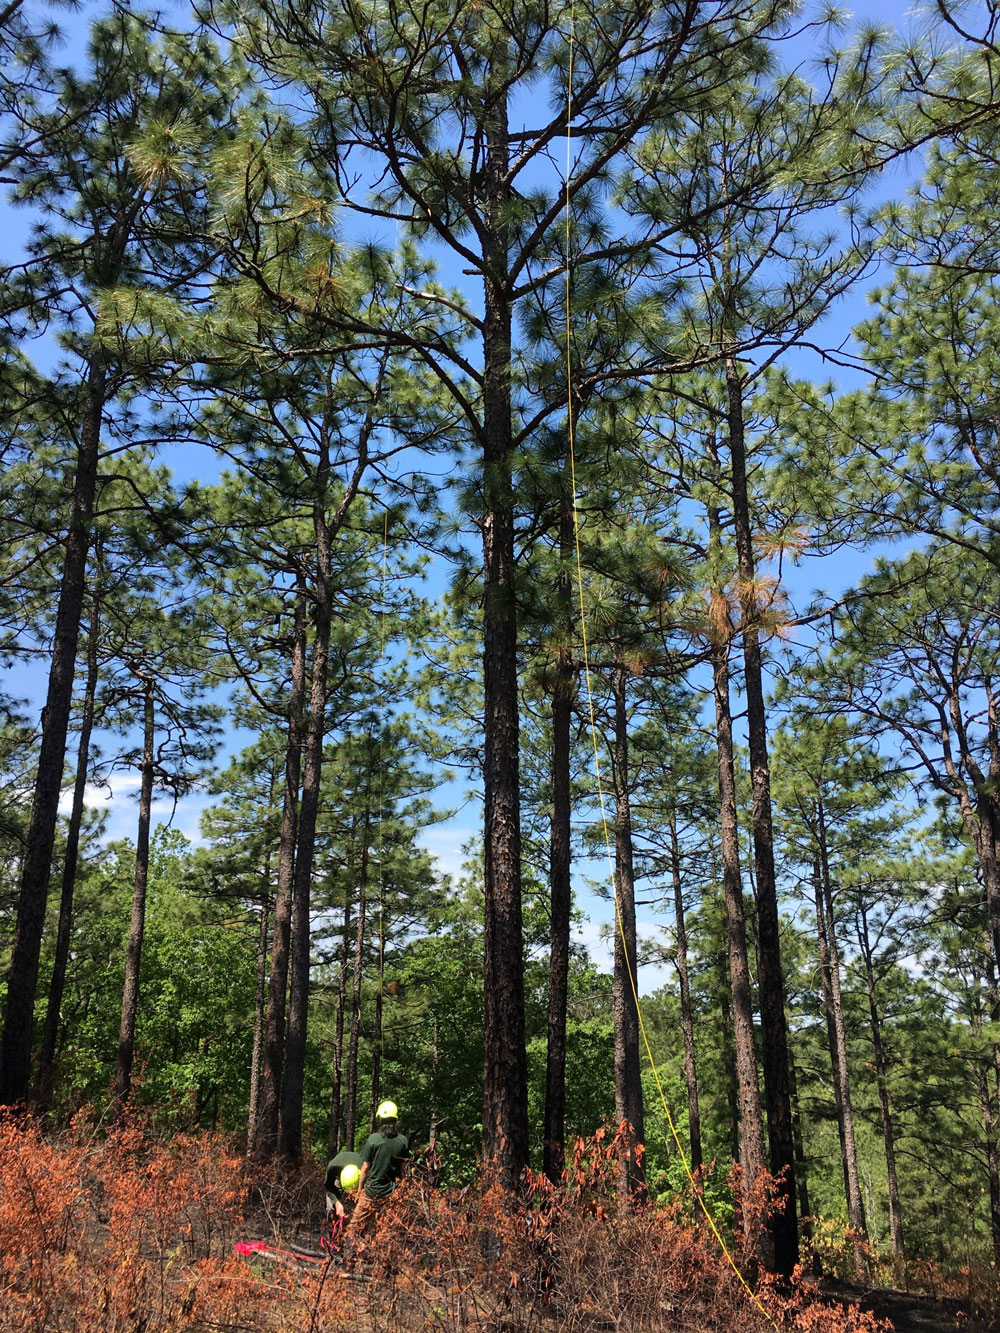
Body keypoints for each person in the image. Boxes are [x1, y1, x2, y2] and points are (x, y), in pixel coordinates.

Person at [350, 1099, 410, 1240]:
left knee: (354, 1227)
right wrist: (403, 1191)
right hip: (391, 1193)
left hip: (371, 1191)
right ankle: (378, 1257)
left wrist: (360, 1190)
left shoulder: (373, 1139)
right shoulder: (403, 1141)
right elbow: (403, 1171)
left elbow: (365, 1168)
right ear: (395, 1119)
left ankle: (346, 1254)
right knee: (384, 1230)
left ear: (380, 1119)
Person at [324, 1149, 363, 1240]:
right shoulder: (332, 1167)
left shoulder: (365, 1169)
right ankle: (333, 1236)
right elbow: (328, 1187)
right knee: (331, 1207)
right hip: (339, 1176)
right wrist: (337, 1203)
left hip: (359, 1179)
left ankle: (355, 1235)